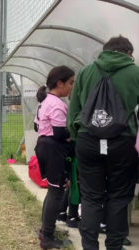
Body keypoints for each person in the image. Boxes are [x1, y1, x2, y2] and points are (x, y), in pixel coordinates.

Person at [68, 35, 139, 250]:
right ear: (129, 53)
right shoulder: (135, 72)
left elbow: (74, 109)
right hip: (122, 141)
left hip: (88, 140)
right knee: (118, 196)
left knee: (90, 196)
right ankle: (114, 246)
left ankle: (89, 246)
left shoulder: (85, 72)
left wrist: (76, 134)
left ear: (105, 51)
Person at [34, 66, 75, 249]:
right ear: (60, 83)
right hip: (53, 147)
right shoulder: (57, 103)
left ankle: (45, 230)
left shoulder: (45, 101)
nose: (72, 87)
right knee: (57, 191)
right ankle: (47, 236)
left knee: (53, 189)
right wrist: (75, 130)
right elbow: (59, 133)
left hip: (43, 144)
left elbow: (37, 126)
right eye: (71, 83)